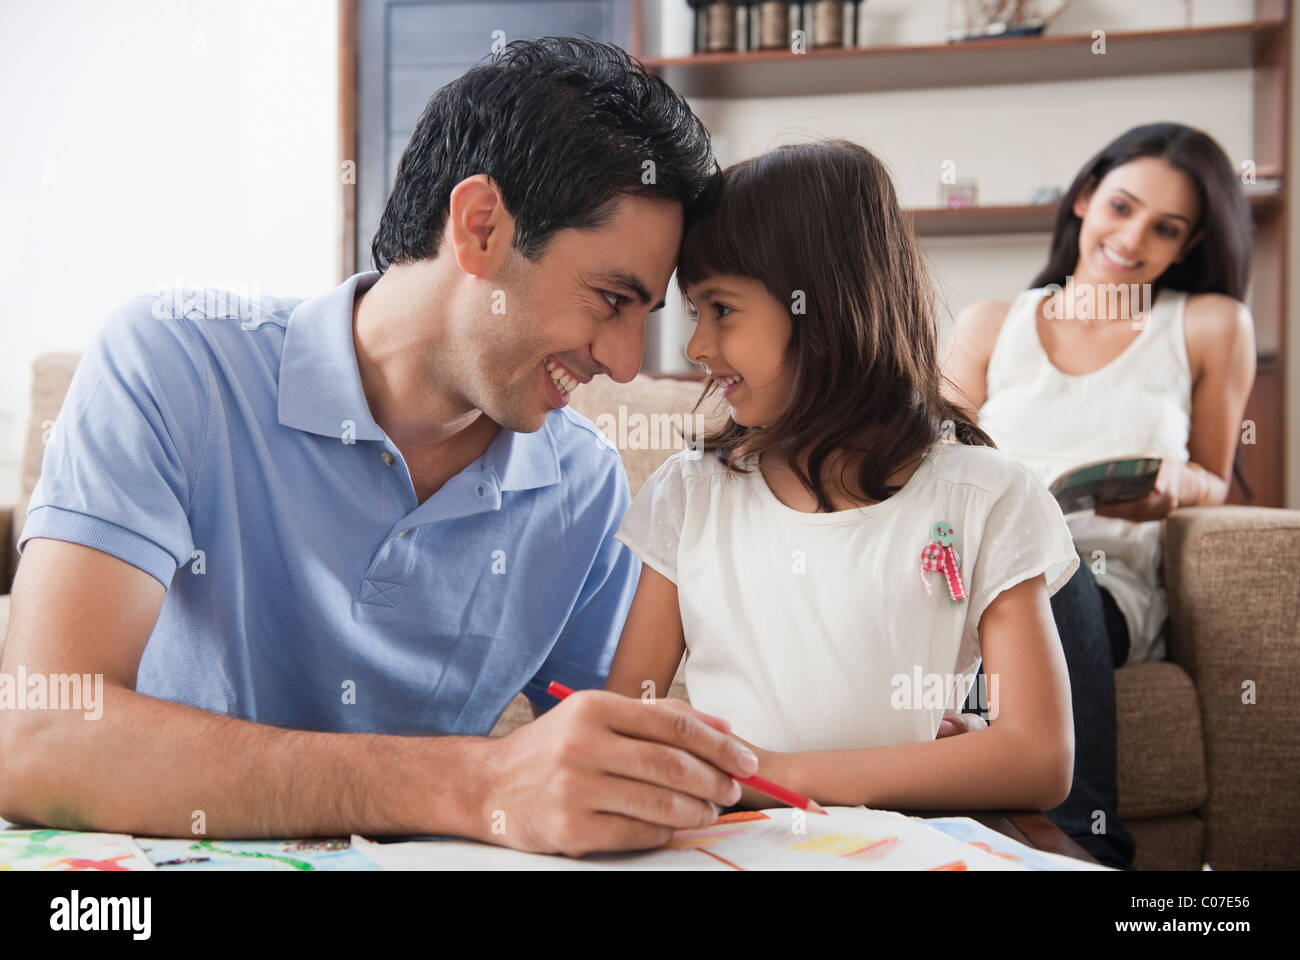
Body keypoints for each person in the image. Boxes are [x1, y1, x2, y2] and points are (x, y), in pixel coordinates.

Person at [0, 38, 758, 858]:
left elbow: (609, 772)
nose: (622, 362)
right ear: (480, 227)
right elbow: (39, 738)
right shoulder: (175, 362)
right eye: (612, 299)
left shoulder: (584, 487)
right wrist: (476, 783)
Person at [606, 139, 1081, 816]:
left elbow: (1038, 760)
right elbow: (626, 727)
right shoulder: (689, 496)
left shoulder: (985, 497)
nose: (696, 347)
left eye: (722, 310)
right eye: (694, 313)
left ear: (819, 309)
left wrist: (771, 774)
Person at [942, 122, 1257, 868]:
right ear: (1085, 199)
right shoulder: (992, 324)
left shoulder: (1211, 326)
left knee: (1046, 557)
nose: (1133, 238)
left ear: (1188, 246)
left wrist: (1181, 485)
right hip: (969, 581)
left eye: (1166, 228)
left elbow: (1216, 475)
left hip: (1100, 586)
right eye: (1122, 206)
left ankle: (1083, 843)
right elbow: (936, 469)